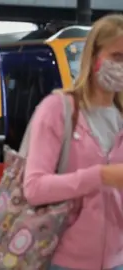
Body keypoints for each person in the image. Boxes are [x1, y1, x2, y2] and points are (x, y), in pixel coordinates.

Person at [23, 14, 123, 270]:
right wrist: (100, 175)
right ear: (93, 57)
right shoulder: (59, 109)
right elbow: (34, 188)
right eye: (117, 56)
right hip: (62, 259)